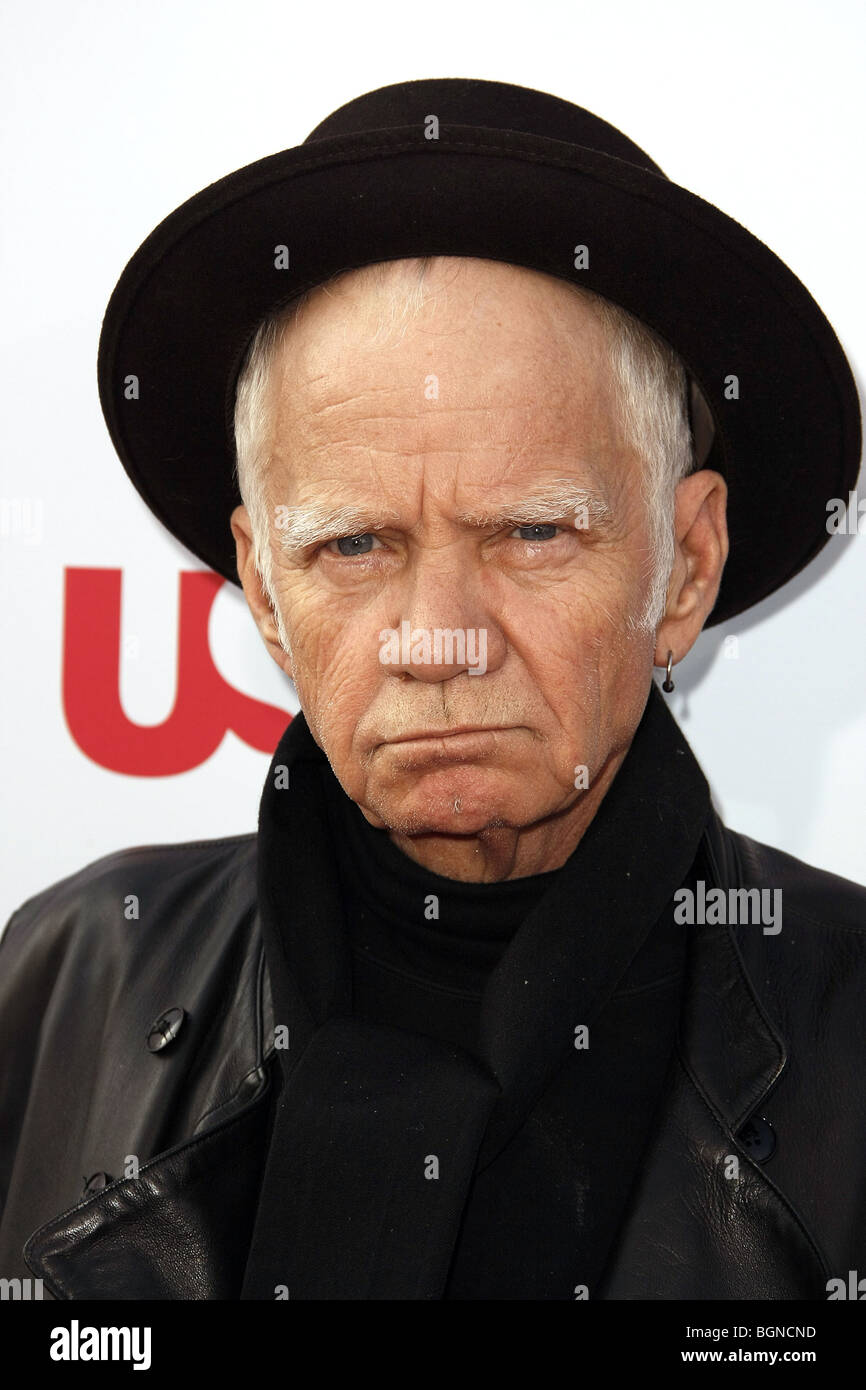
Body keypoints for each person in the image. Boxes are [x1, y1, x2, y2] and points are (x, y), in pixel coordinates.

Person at [0, 77, 863, 1301]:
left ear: (686, 569)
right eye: (353, 546)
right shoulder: (63, 978)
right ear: (261, 584)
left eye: (527, 532)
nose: (438, 640)